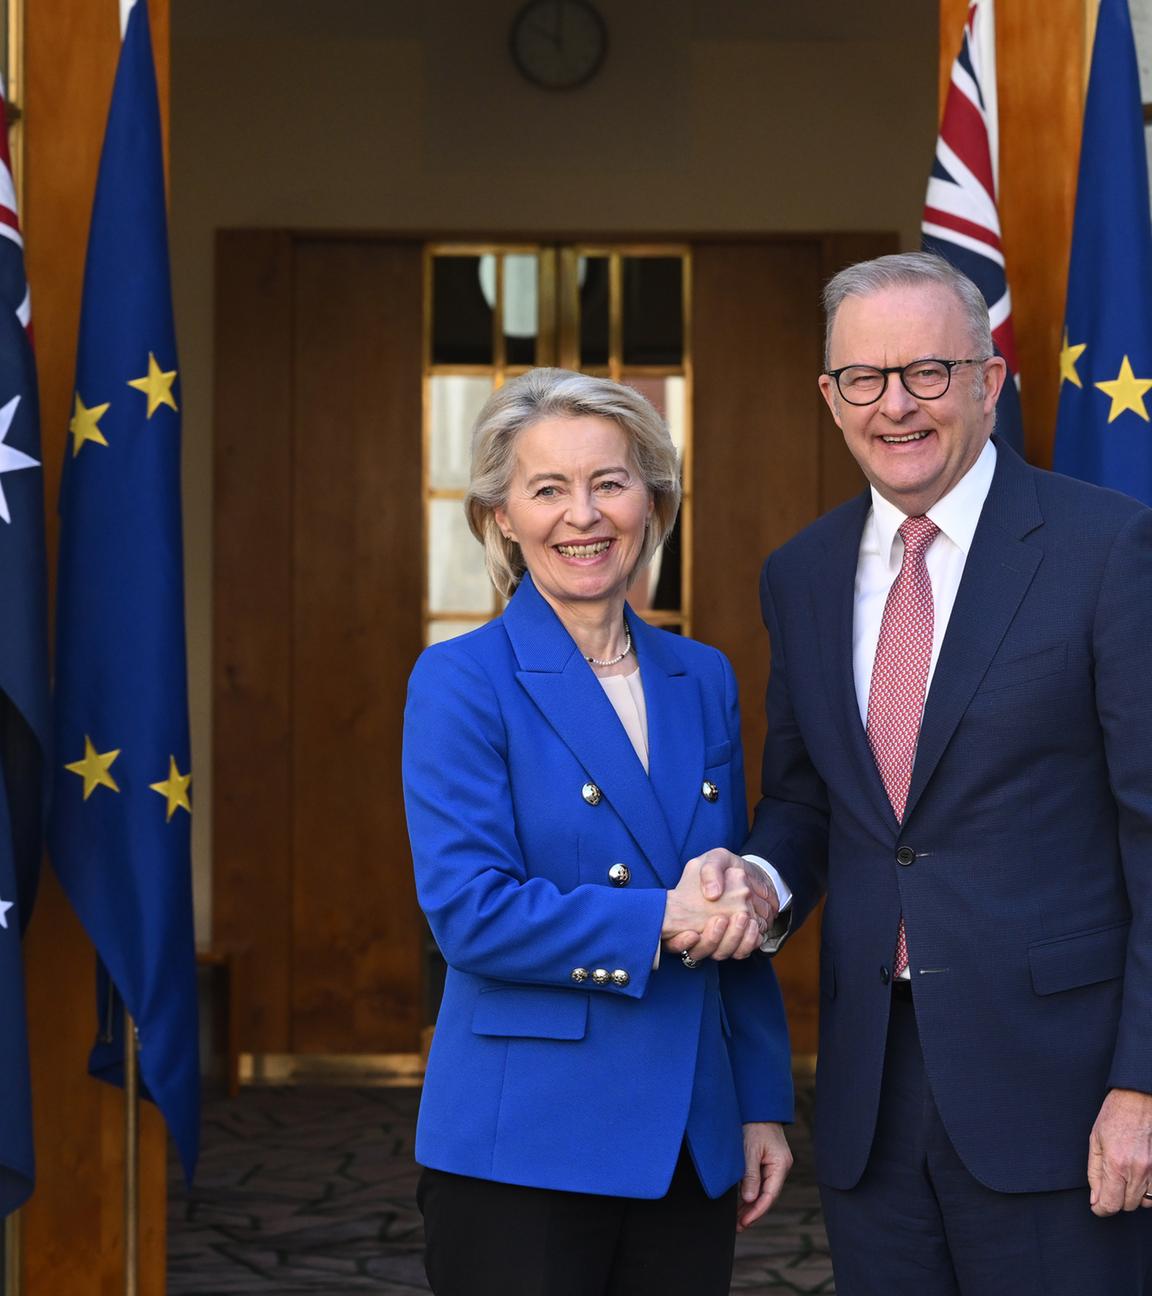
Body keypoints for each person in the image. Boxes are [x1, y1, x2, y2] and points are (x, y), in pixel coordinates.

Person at [709, 251, 1152, 1294]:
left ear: (988, 382)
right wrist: (759, 885)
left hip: (1065, 1093)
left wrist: (1142, 1084)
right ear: (830, 398)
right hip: (873, 1097)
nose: (895, 405)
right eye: (864, 378)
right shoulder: (801, 575)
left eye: (927, 372)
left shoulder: (1108, 549)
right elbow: (807, 800)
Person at [402, 368, 793, 1296]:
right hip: (526, 1142)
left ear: (650, 500)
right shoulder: (461, 680)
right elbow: (470, 915)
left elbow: (727, 898)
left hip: (689, 1131)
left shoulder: (702, 676)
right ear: (502, 515)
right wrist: (661, 917)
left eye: (609, 482)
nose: (583, 515)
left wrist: (760, 1100)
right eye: (548, 489)